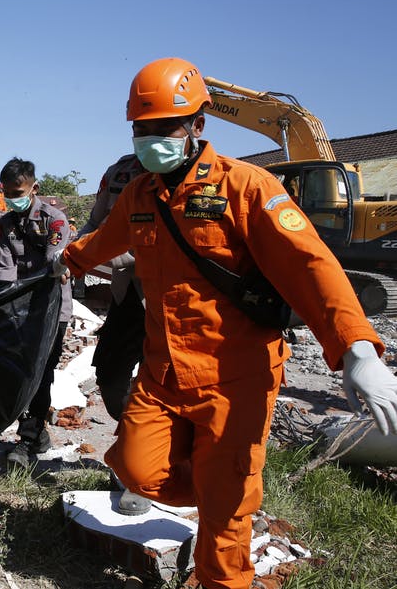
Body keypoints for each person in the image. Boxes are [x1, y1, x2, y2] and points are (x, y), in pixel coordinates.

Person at [53, 57, 397, 589]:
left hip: (235, 378)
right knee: (136, 469)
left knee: (226, 514)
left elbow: (311, 266)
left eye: (164, 127)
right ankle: (219, 482)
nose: (151, 139)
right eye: (141, 129)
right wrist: (66, 263)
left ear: (197, 126)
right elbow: (103, 241)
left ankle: (223, 550)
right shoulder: (142, 196)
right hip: (162, 374)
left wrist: (357, 349)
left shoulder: (247, 188)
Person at [0, 157, 71, 470]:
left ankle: (27, 441)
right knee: (18, 370)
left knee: (41, 373)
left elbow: (55, 261)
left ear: (34, 187)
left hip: (52, 309)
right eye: (8, 192)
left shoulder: (54, 220)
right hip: (20, 310)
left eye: (19, 191)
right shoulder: (6, 223)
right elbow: (5, 268)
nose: (14, 197)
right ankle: (37, 434)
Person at [79, 154, 145, 422]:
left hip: (172, 296)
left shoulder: (204, 181)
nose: (148, 136)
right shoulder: (120, 172)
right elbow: (95, 223)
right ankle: (135, 433)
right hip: (127, 289)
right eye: (139, 129)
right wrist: (73, 255)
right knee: (109, 372)